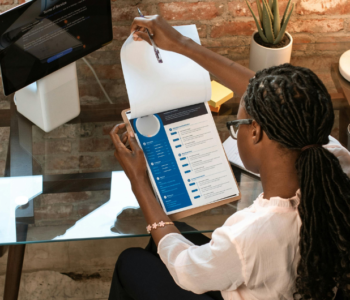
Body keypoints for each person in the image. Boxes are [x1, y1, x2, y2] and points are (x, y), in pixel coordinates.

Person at [108, 15, 350, 300]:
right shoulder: (335, 157)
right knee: (170, 236)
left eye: (238, 126)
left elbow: (185, 270)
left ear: (257, 132)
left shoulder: (248, 236)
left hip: (231, 279)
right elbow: (271, 95)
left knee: (131, 261)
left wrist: (139, 181)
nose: (237, 131)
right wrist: (182, 44)